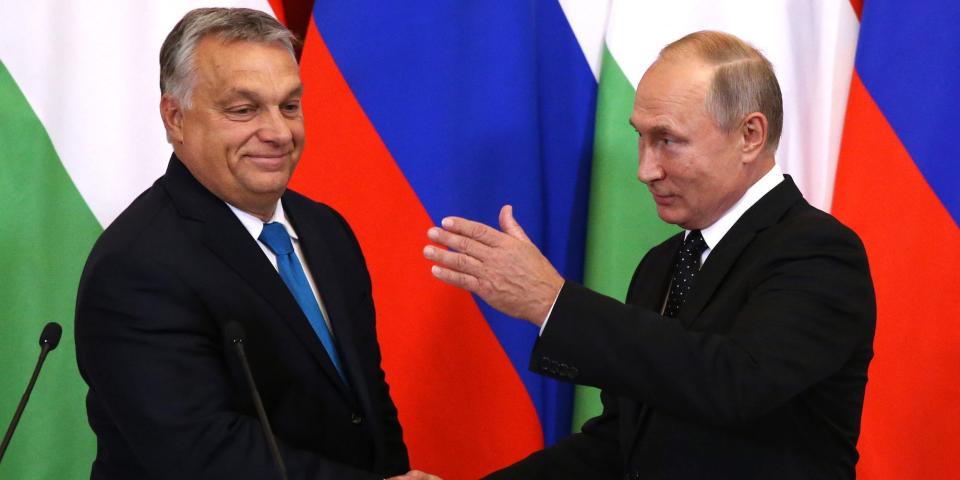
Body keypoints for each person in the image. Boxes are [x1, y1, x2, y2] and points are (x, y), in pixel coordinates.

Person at [424, 30, 875, 479]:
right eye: (641, 138)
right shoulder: (662, 263)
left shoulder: (818, 252)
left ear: (750, 135)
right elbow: (619, 444)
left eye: (668, 140)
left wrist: (552, 303)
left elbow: (735, 384)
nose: (646, 170)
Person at [75, 8, 438, 480]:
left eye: (289, 106)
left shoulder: (326, 229)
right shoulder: (135, 266)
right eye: (243, 110)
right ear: (175, 118)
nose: (279, 133)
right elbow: (201, 455)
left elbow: (366, 400)